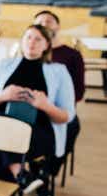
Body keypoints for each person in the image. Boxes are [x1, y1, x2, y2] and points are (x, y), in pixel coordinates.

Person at [0, 24, 74, 196]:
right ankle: (20, 172)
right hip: (3, 129)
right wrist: (4, 96)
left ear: (47, 45)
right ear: (21, 41)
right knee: (4, 133)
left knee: (5, 143)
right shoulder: (3, 65)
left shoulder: (59, 71)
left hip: (40, 133)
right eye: (28, 37)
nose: (32, 42)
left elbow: (68, 116)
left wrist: (45, 105)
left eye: (38, 39)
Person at [34, 10, 84, 169]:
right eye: (39, 22)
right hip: (33, 107)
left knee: (72, 127)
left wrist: (53, 107)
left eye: (48, 21)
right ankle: (32, 169)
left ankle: (47, 172)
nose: (43, 24)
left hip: (60, 109)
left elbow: (79, 91)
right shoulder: (32, 52)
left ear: (58, 26)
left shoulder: (72, 55)